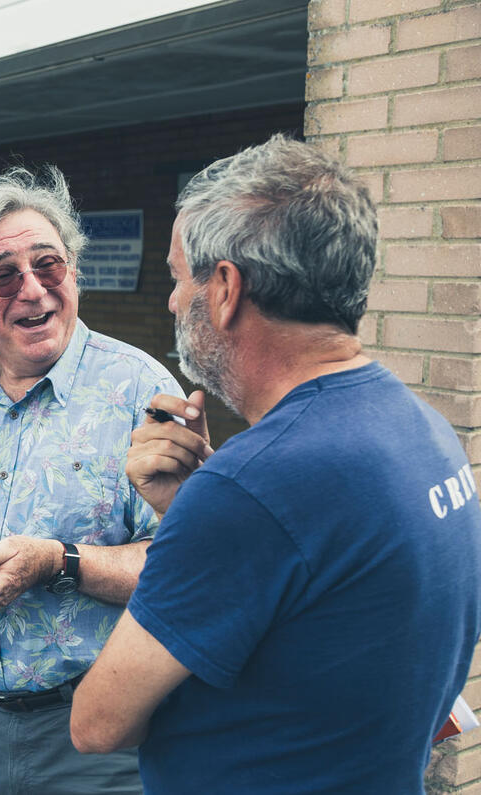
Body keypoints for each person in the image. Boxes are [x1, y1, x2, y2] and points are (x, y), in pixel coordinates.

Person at [68, 135, 481, 794]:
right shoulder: (424, 430)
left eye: (179, 277)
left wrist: (212, 507)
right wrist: (190, 508)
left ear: (226, 287)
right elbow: (329, 625)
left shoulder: (253, 486)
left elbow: (97, 724)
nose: (174, 302)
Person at [0, 165, 189, 794]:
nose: (33, 289)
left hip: (100, 728)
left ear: (72, 273)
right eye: (3, 275)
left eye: (49, 265)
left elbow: (186, 567)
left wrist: (59, 561)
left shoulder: (142, 391)